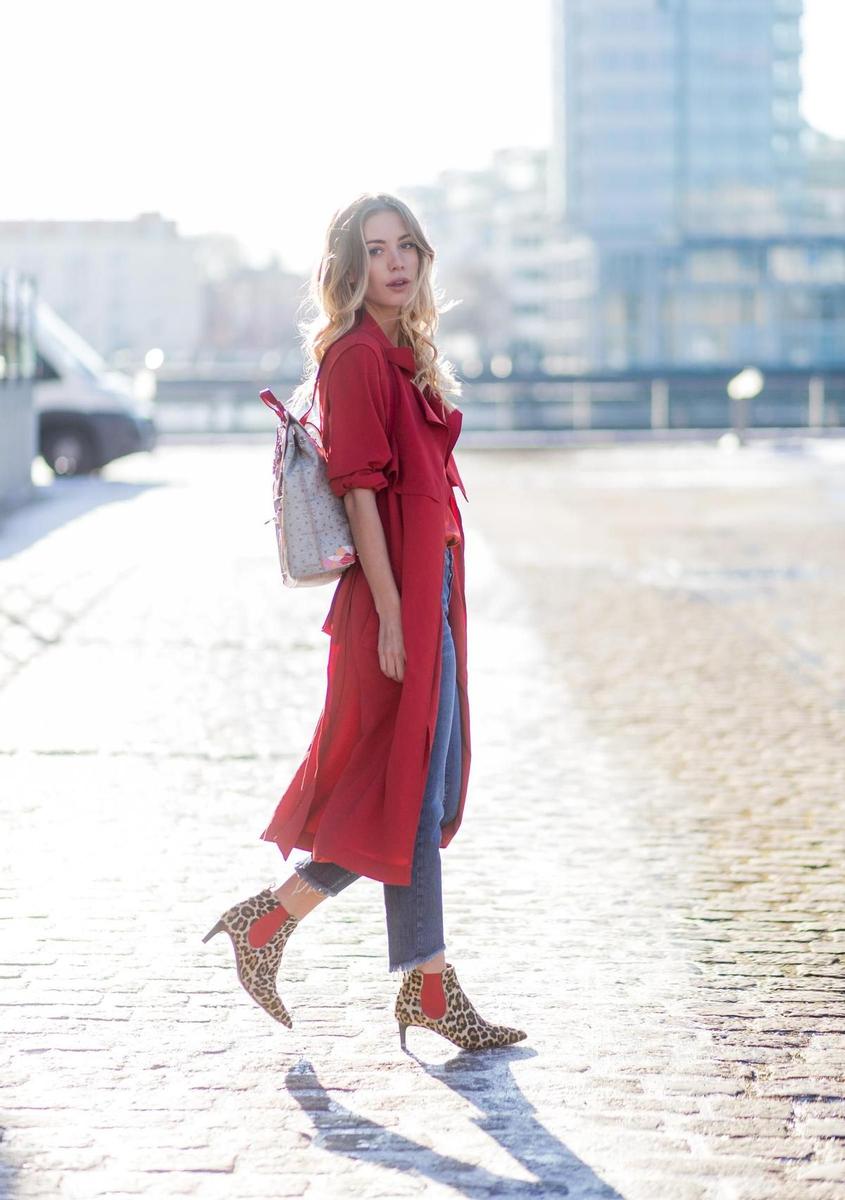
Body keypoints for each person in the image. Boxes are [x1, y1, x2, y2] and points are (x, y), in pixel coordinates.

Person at [203, 193, 526, 1053]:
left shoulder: (402, 348)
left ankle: (284, 930)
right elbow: (357, 491)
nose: (395, 262)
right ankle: (412, 982)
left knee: (419, 786)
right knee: (406, 790)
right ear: (349, 268)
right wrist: (390, 612)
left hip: (431, 586)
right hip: (397, 600)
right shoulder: (354, 355)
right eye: (375, 249)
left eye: (405, 247)